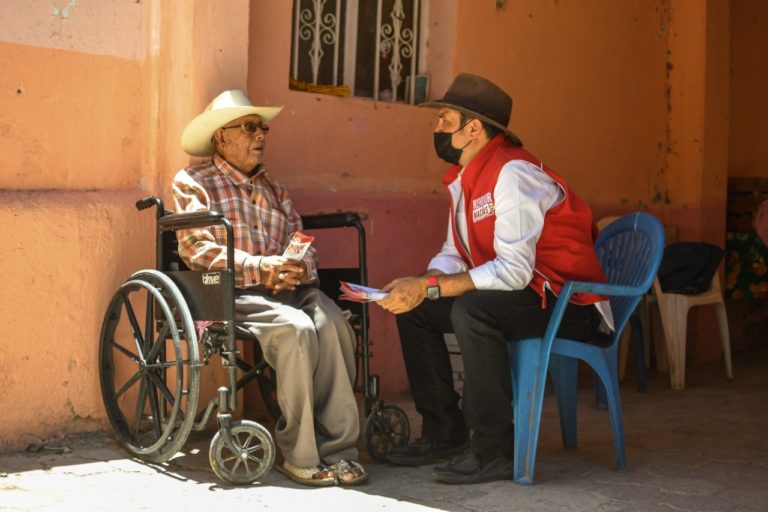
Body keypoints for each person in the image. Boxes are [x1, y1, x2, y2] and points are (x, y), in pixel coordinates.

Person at [376, 73, 613, 484]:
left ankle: (493, 449)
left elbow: (515, 269)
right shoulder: (463, 179)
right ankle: (443, 432)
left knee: (472, 310)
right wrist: (423, 282)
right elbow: (454, 252)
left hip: (572, 303)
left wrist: (431, 286)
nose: (436, 128)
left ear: (473, 129)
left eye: (444, 120)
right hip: (527, 294)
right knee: (416, 311)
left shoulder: (512, 174)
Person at [172, 89, 367, 487]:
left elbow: (300, 239)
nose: (260, 133)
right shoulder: (194, 181)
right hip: (233, 292)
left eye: (262, 127)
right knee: (296, 329)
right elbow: (197, 248)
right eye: (249, 126)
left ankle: (340, 451)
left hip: (288, 288)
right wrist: (261, 268)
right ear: (220, 137)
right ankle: (301, 455)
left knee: (332, 324)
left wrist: (297, 267)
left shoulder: (273, 188)